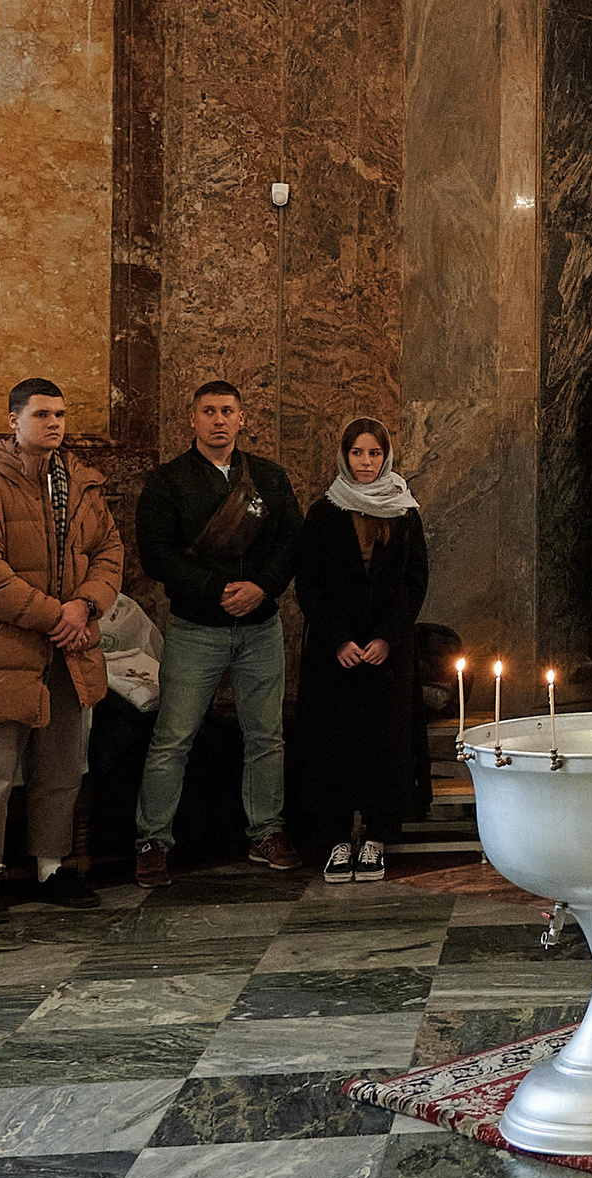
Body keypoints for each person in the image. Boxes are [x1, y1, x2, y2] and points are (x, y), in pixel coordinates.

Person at [0, 377, 125, 921]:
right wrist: (57, 615)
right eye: (42, 414)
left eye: (61, 414)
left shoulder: (83, 486)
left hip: (68, 652)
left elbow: (110, 552)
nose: (54, 423)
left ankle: (51, 868)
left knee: (61, 767)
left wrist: (84, 607)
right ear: (14, 421)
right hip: (2, 650)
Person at [133, 379, 306, 888]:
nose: (218, 420)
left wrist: (262, 586)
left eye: (227, 411)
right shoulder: (168, 482)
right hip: (194, 629)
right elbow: (156, 553)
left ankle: (266, 832)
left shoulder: (270, 479)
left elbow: (293, 540)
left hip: (261, 628)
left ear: (242, 418)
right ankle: (152, 841)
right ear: (193, 419)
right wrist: (216, 589)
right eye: (208, 411)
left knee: (266, 737)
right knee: (172, 739)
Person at [293, 417, 431, 884]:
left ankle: (377, 837)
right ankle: (334, 837)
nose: (366, 463)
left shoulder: (405, 512)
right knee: (333, 743)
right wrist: (338, 641)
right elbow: (308, 588)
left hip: (386, 655)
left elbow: (414, 584)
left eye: (374, 454)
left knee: (385, 744)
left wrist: (386, 639)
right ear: (344, 457)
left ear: (386, 456)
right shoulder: (323, 512)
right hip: (335, 655)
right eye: (357, 454)